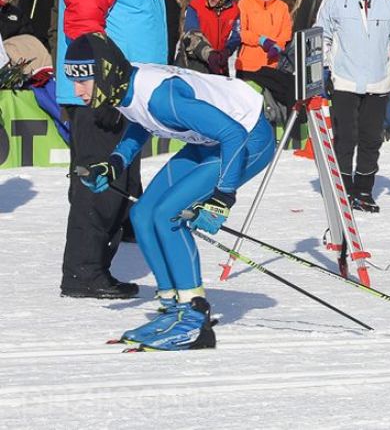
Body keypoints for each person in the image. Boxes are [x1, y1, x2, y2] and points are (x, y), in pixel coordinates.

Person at [66, 32, 274, 350]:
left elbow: (232, 134)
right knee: (143, 213)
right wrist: (115, 164)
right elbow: (141, 120)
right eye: (72, 79)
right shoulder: (123, 86)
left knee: (167, 215)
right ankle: (173, 307)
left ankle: (193, 316)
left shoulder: (163, 97)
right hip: (210, 140)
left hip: (247, 138)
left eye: (83, 80)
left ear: (105, 73)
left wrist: (223, 197)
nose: (77, 90)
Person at [57, 0, 167, 299]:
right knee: (99, 182)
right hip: (100, 90)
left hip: (129, 89)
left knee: (121, 180)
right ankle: (83, 272)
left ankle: (96, 259)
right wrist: (100, 82)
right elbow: (82, 22)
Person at [315, 0, 390, 213]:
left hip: (378, 81)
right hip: (344, 80)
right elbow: (322, 36)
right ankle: (343, 190)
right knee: (346, 137)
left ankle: (364, 191)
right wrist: (324, 70)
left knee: (371, 139)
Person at [236, 0, 294, 109]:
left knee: (291, 91)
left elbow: (286, 32)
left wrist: (277, 46)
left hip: (274, 64)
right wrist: (261, 40)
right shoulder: (244, 4)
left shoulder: (282, 6)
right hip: (249, 65)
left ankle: (293, 126)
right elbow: (240, 32)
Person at [179, 0, 240, 75]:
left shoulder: (234, 11)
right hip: (193, 61)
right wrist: (209, 54)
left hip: (219, 63)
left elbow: (235, 35)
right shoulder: (196, 6)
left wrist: (227, 51)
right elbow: (191, 34)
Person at [0, 0, 52, 74]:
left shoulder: (15, 11)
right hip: (5, 48)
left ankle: (43, 70)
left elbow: (27, 29)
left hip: (19, 45)